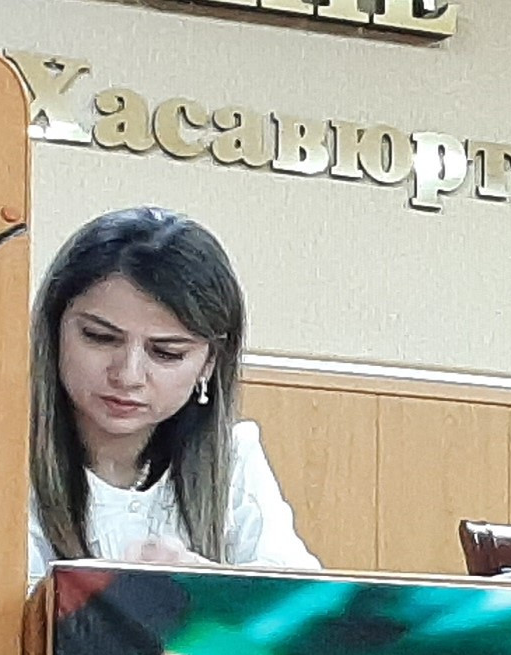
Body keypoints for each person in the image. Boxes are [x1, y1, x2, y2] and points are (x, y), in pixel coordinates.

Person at [28, 207, 317, 583]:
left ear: (209, 362)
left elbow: (298, 604)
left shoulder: (234, 459)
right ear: (54, 331)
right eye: (99, 337)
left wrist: (203, 582)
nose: (128, 375)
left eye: (166, 353)